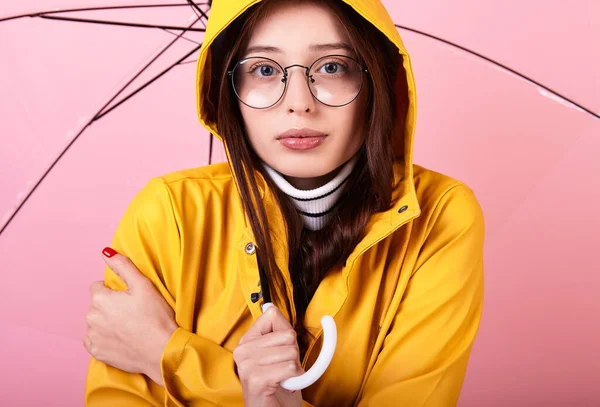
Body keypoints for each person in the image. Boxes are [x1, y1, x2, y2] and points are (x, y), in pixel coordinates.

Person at [83, 0, 486, 406]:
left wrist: (166, 354)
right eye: (264, 69)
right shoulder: (170, 212)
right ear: (228, 89)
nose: (299, 102)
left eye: (332, 67)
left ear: (376, 80)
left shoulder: (440, 216)